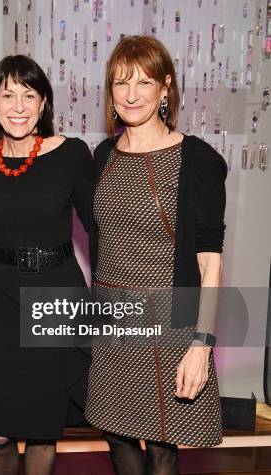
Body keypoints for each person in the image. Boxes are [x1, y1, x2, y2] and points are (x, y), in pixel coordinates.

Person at [85, 35, 226, 475]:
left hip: (170, 323)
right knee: (117, 437)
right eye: (120, 83)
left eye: (143, 83)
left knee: (164, 449)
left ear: (166, 88)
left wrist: (201, 345)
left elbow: (210, 262)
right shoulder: (103, 155)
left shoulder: (197, 160)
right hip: (112, 322)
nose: (130, 95)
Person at [0, 55, 93, 475]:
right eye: (8, 95)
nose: (18, 106)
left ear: (43, 104)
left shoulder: (71, 154)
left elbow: (102, 225)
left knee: (40, 428)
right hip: (0, 299)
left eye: (29, 95)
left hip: (55, 294)